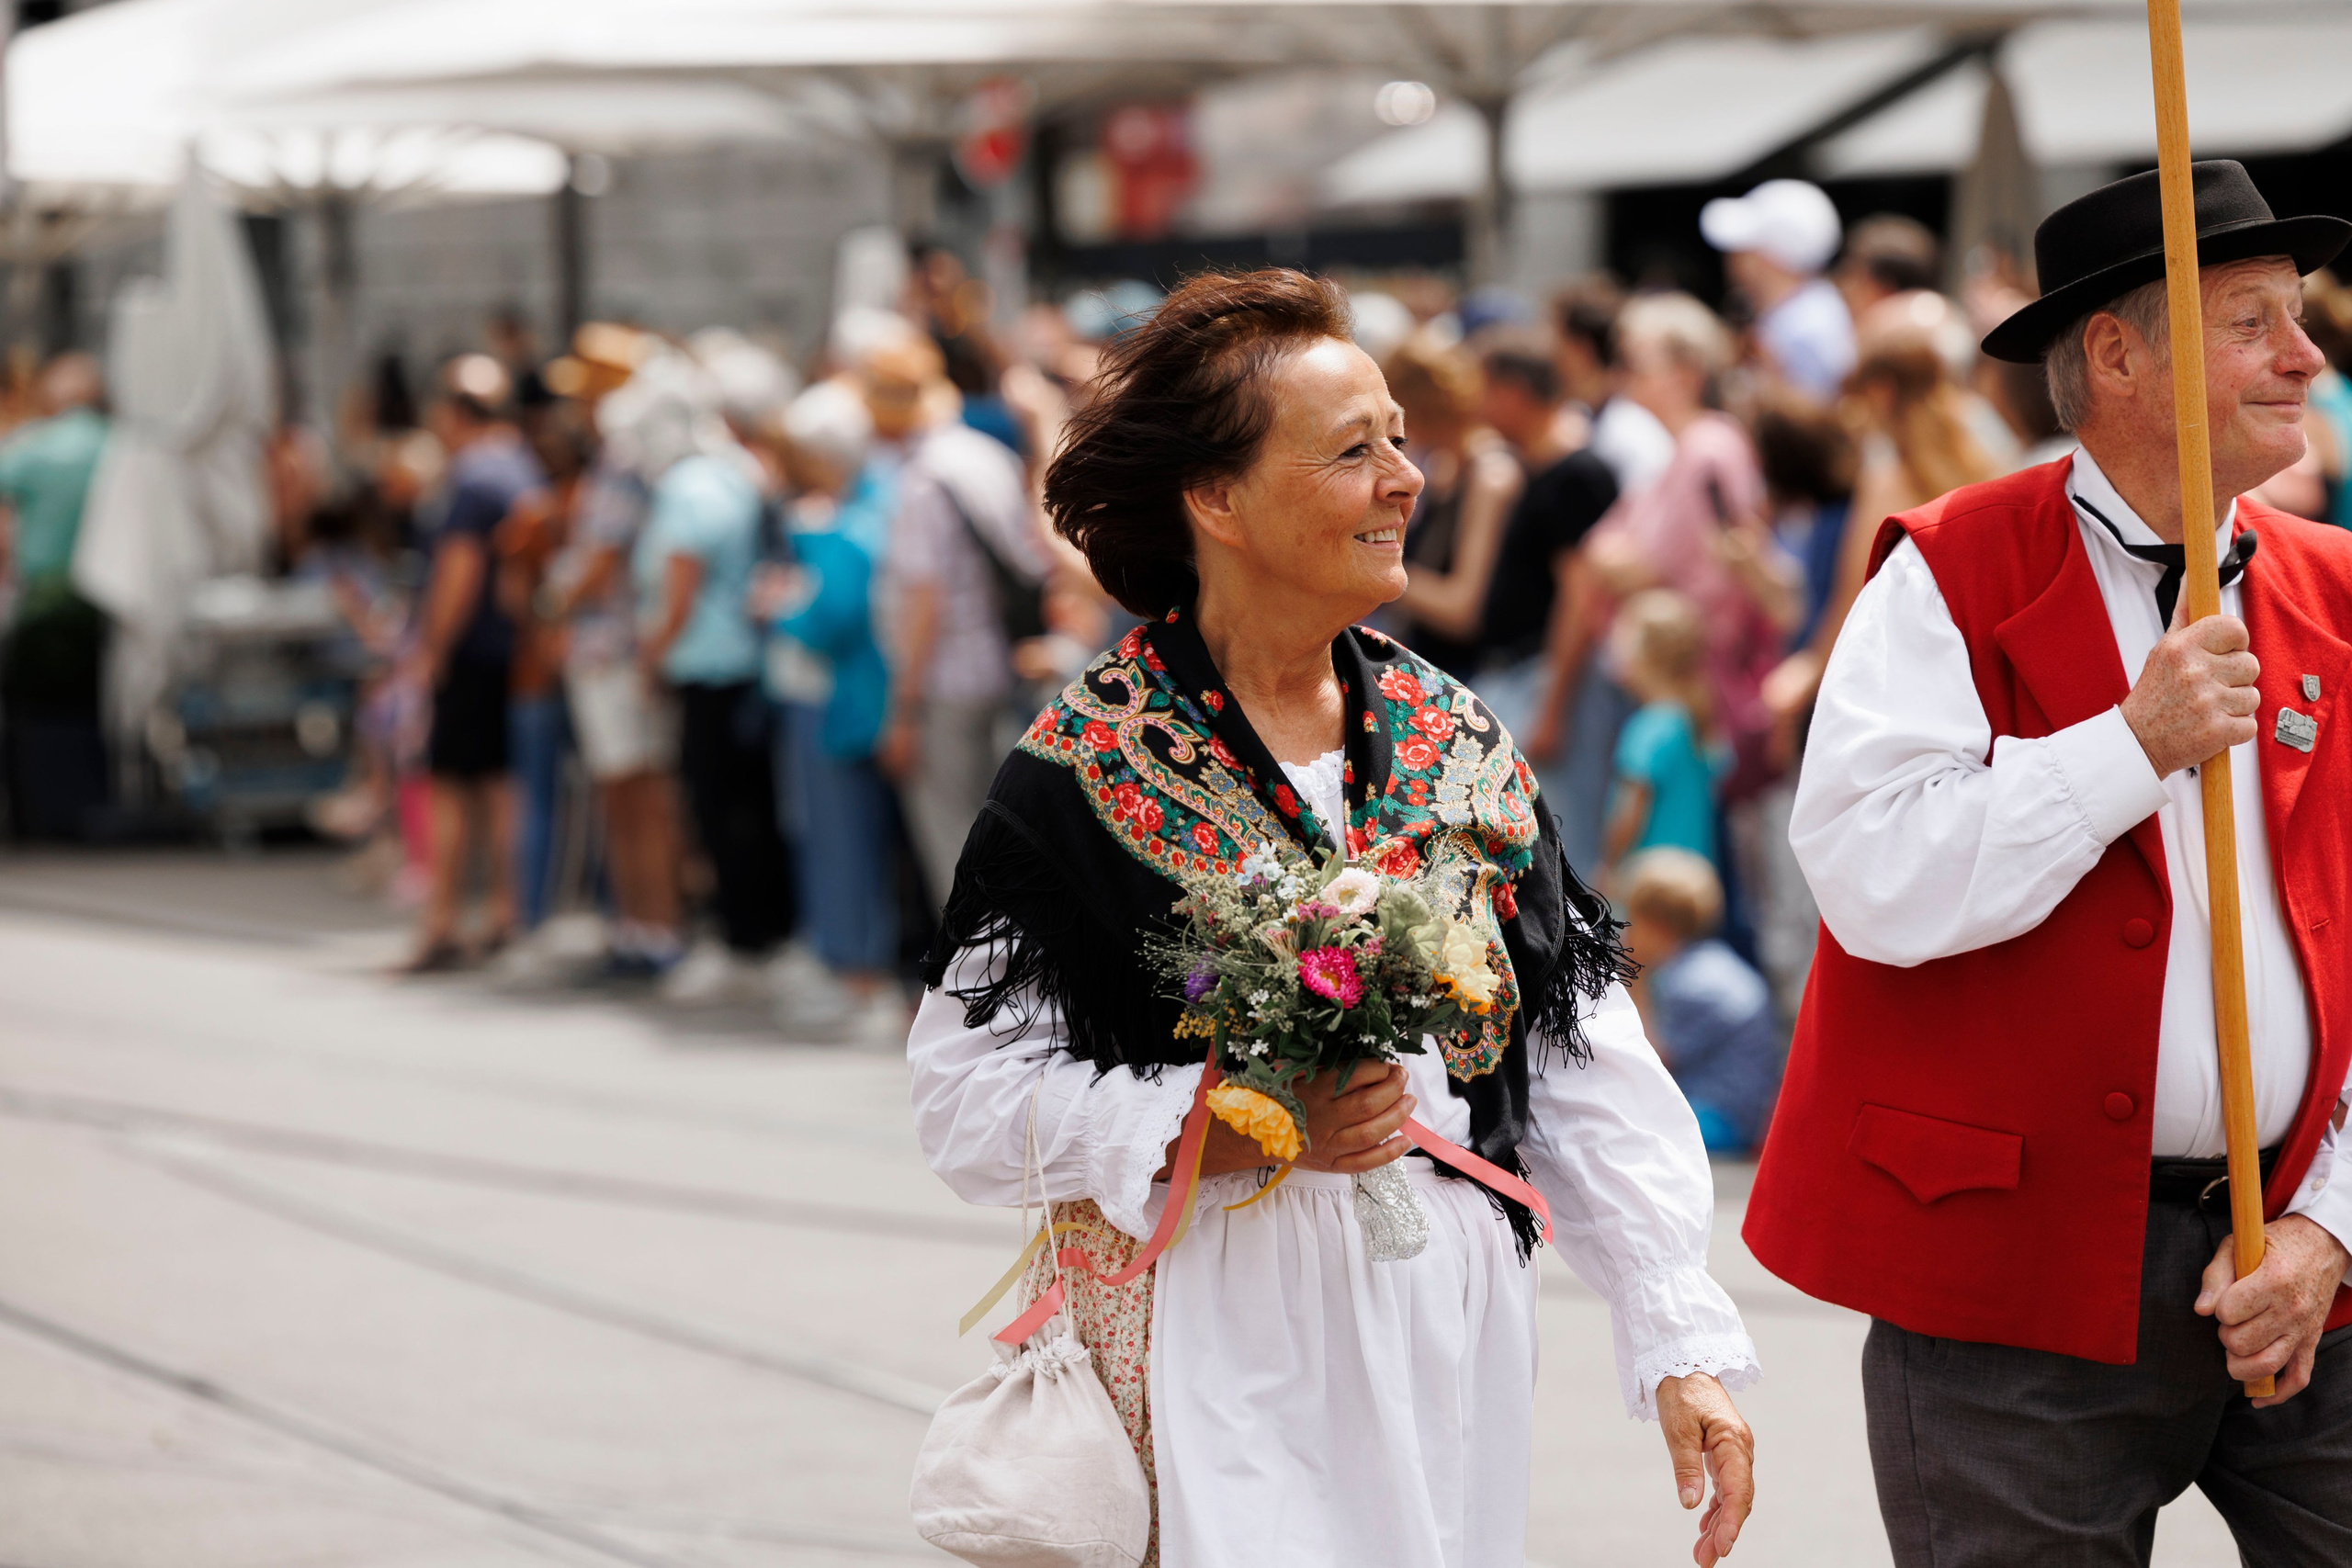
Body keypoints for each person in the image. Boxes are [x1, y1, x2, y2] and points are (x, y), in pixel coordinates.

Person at [910, 269, 1758, 1568]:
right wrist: (1227, 1129)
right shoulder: (1087, 766)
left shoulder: (1453, 736)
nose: (1406, 479)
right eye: (1354, 451)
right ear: (1217, 498)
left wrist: (1676, 1332)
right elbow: (964, 1093)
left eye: (1400, 441)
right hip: (1219, 1314)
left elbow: (1577, 1048)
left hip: (1447, 1316)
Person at [1750, 162, 2352, 1563]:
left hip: (2305, 1257)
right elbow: (1871, 878)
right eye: (2254, 318)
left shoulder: (2336, 587)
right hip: (2005, 1294)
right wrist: (2129, 744)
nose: (2306, 353)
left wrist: (2330, 1225)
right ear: (2118, 352)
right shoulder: (1949, 571)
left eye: (2300, 314)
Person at [628, 353, 795, 1003]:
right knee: (745, 808)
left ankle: (743, 938)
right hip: (739, 665)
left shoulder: (688, 486)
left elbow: (679, 583)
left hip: (708, 668)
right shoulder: (731, 473)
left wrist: (651, 656)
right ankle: (754, 932)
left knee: (722, 810)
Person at [868, 328, 1047, 912]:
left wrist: (903, 707)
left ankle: (971, 991)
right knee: (994, 834)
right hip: (995, 663)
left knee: (953, 844)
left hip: (945, 678)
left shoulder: (922, 480)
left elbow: (925, 601)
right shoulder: (983, 455)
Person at [759, 379, 906, 1045]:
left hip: (845, 700)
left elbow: (832, 616)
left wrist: (781, 607)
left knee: (843, 839)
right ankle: (857, 970)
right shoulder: (871, 502)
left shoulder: (846, 521)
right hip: (859, 697)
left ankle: (859, 975)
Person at [405, 355, 546, 971]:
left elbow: (458, 572)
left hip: (471, 653)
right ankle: (506, 910)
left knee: (453, 789)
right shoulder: (520, 466)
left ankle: (442, 920)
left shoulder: (472, 476)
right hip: (513, 649)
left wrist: (431, 649)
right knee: (501, 787)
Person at [1465, 344, 1621, 869]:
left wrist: (1553, 704)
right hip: (1517, 674)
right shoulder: (1532, 465)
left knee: (1559, 842)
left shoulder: (1575, 473)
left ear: (1512, 392)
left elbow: (1581, 594)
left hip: (1544, 678)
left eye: (1484, 390)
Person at [0, 352, 109, 840]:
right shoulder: (120, 446)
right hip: (104, 598)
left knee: (32, 710)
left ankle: (35, 813)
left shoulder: (36, 448)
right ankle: (91, 805)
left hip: (44, 598)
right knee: (95, 706)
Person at [1622, 847, 1780, 1155]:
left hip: (1722, 1118)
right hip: (1737, 1111)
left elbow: (1651, 1060)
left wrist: (1634, 976)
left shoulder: (1690, 985)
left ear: (1655, 925)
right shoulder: (1708, 964)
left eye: (1632, 920)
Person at [1386, 333, 1521, 677]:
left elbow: (1462, 608)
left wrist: (1375, 572)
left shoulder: (1490, 476)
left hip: (1467, 676)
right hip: (1426, 658)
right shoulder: (1439, 465)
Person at [1603, 589, 1728, 874]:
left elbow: (1628, 814)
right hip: (1692, 884)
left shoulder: (1649, 727)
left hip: (1647, 886)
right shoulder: (1694, 720)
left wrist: (1609, 864)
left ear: (1647, 655)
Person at [1701, 178, 1854, 402]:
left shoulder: (1805, 328)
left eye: (1745, 248)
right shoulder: (1802, 313)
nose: (1732, 259)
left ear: (1770, 256)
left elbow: (1811, 422)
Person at [1554, 277, 1676, 495]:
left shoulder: (1633, 437)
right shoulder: (1574, 419)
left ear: (1581, 351)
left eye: (1559, 343)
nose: (1551, 355)